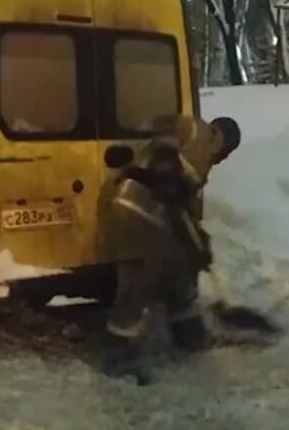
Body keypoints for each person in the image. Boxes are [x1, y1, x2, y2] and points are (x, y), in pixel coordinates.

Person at [98, 114, 241, 385]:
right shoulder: (200, 134)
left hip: (152, 213)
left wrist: (199, 244)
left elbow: (182, 210)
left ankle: (187, 330)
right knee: (139, 278)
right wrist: (164, 162)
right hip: (130, 204)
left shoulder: (202, 157)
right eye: (227, 151)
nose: (224, 158)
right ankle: (118, 354)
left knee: (179, 264)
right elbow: (164, 124)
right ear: (223, 140)